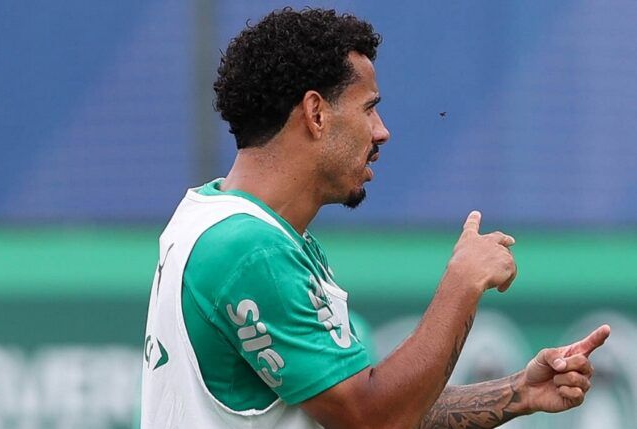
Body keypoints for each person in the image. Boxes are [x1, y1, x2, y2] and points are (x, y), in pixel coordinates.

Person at [140, 7, 610, 428]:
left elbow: (371, 407)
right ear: (316, 113)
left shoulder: (222, 218)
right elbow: (375, 420)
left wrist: (518, 393)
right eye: (369, 108)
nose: (382, 132)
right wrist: (463, 283)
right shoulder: (250, 250)